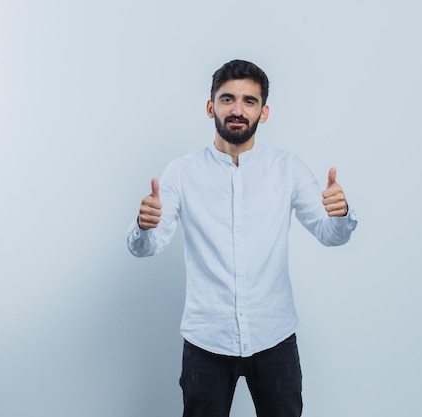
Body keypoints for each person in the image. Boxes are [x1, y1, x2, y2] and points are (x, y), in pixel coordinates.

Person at [126, 59, 357, 417]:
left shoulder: (287, 167)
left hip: (274, 338)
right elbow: (147, 247)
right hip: (207, 342)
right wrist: (144, 226)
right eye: (228, 98)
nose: (237, 110)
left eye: (249, 101)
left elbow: (330, 235)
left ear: (263, 112)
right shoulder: (181, 172)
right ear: (210, 107)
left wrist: (339, 213)